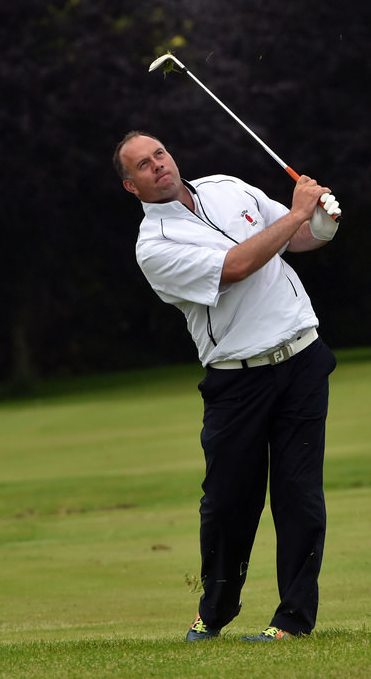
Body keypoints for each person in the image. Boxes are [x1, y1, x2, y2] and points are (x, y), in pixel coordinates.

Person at [113, 131, 342, 642]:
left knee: (299, 496)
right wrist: (297, 213)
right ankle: (215, 611)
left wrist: (322, 221)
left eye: (160, 155)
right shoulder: (155, 247)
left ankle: (293, 621)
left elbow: (295, 239)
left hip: (302, 358)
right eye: (142, 166)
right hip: (238, 381)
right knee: (227, 504)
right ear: (131, 187)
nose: (157, 166)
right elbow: (236, 267)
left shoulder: (226, 186)